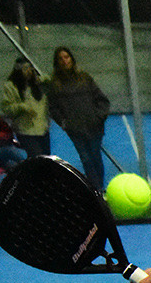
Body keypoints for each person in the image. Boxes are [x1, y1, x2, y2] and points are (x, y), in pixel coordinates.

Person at [46, 46, 110, 187]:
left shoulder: (85, 78)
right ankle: (96, 190)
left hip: (94, 127)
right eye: (60, 59)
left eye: (66, 57)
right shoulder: (55, 85)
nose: (64, 61)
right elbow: (53, 108)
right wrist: (64, 123)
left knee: (95, 157)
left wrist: (99, 117)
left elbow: (102, 99)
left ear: (72, 59)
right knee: (86, 159)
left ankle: (99, 187)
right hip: (75, 129)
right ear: (56, 62)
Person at [0, 57, 50, 158]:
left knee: (46, 158)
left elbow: (51, 79)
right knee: (36, 157)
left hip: (42, 129)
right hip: (25, 130)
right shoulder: (10, 86)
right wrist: (22, 107)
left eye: (30, 68)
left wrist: (42, 78)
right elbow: (6, 108)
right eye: (25, 69)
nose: (28, 71)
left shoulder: (37, 84)